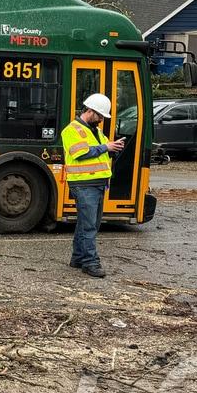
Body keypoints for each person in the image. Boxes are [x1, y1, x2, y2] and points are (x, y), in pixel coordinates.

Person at [61, 93, 126, 278]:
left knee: (87, 224)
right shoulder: (71, 130)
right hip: (84, 184)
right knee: (89, 226)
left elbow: (103, 149)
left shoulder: (95, 131)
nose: (101, 120)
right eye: (99, 116)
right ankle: (90, 263)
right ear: (90, 111)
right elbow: (80, 153)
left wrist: (114, 147)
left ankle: (78, 258)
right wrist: (107, 147)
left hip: (96, 184)